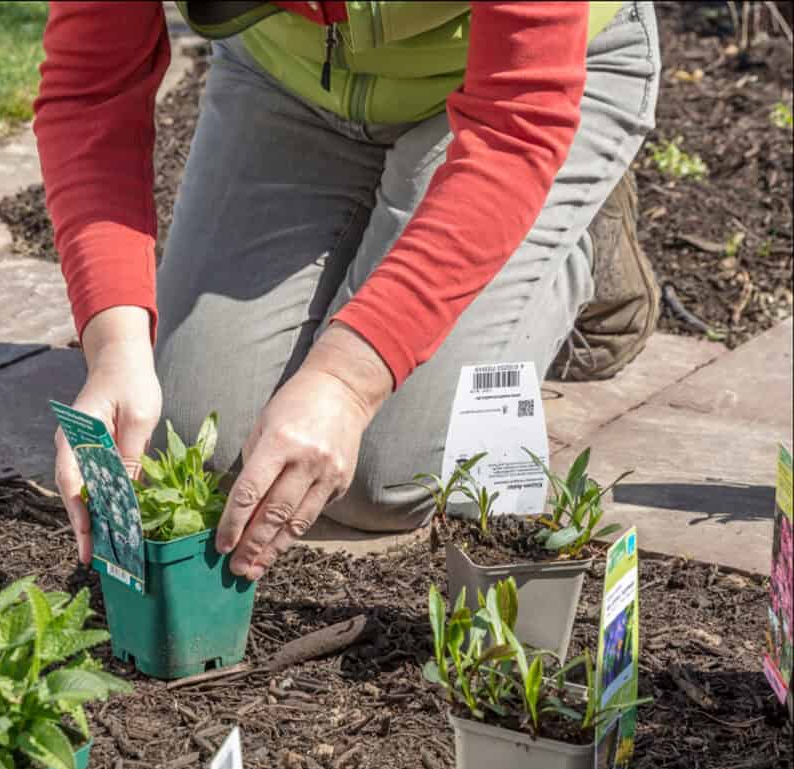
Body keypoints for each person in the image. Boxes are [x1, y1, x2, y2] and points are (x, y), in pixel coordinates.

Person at [35, 1, 660, 583]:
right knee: (193, 435)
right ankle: (390, 236)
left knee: (391, 477)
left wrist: (346, 381)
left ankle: (575, 236)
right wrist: (114, 345)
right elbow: (92, 89)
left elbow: (517, 126)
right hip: (293, 80)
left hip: (516, 88)